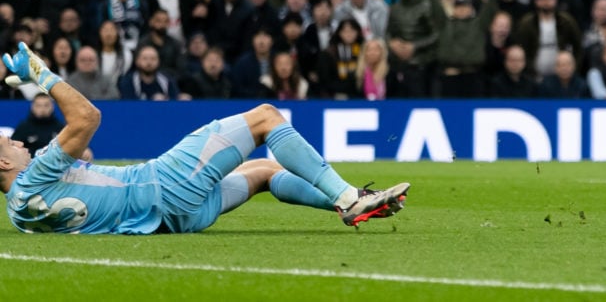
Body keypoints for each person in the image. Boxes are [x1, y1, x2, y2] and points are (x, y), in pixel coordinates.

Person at [0, 42, 409, 233]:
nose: (20, 143)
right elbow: (87, 117)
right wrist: (40, 73)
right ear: (3, 165)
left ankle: (350, 200)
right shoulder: (32, 179)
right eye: (10, 145)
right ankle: (349, 198)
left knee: (266, 171)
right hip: (164, 185)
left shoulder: (19, 214)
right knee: (265, 117)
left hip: (175, 222)